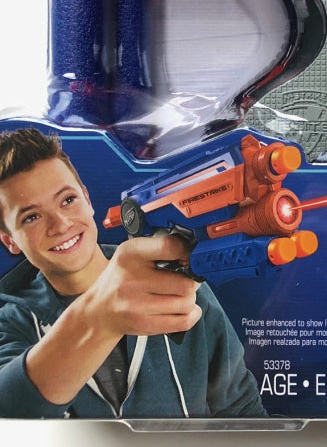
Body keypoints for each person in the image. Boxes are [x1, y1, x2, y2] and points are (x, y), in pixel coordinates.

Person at [0, 127, 265, 418]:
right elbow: (8, 411)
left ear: (87, 199)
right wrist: (99, 319)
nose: (60, 224)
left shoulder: (178, 278)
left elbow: (242, 409)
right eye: (32, 217)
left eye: (67, 200)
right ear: (9, 240)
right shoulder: (10, 323)